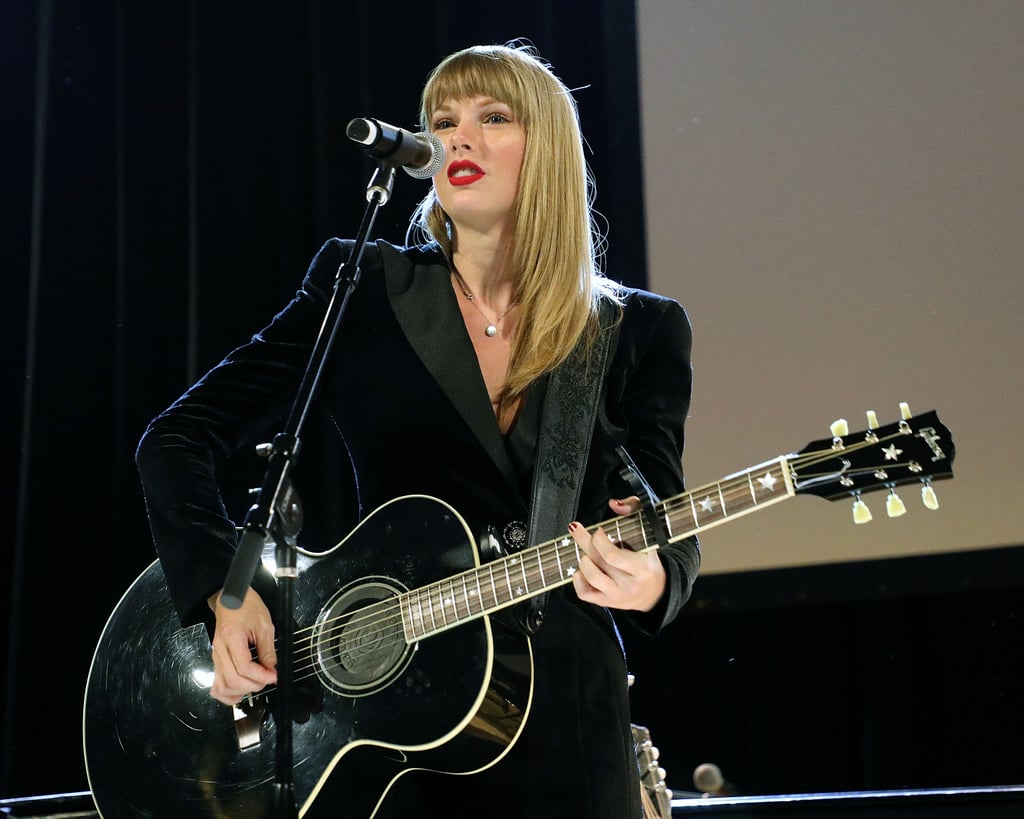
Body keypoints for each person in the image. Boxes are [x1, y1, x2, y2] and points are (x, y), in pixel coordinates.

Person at [136, 42, 700, 819]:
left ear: (550, 154)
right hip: (396, 720)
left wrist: (656, 576)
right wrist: (223, 592)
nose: (457, 137)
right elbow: (176, 439)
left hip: (568, 716)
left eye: (492, 117)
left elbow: (668, 520)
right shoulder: (364, 288)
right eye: (442, 120)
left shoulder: (637, 329)